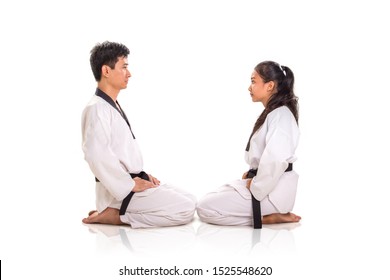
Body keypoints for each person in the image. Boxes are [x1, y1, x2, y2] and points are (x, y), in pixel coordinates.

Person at [81, 41, 196, 228]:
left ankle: (117, 211)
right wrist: (129, 184)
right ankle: (116, 215)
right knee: (185, 208)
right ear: (106, 71)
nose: (129, 73)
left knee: (189, 199)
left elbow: (120, 152)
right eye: (124, 67)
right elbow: (95, 155)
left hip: (129, 185)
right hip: (120, 194)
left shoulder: (110, 105)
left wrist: (141, 176)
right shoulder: (97, 108)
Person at [197, 61, 301, 226]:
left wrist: (258, 185)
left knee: (205, 209)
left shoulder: (281, 115)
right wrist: (253, 172)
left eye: (253, 81)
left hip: (271, 193)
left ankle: (268, 217)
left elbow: (276, 158)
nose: (249, 87)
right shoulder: (274, 113)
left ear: (270, 86)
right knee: (209, 198)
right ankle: (265, 215)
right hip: (266, 185)